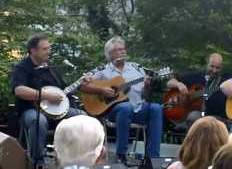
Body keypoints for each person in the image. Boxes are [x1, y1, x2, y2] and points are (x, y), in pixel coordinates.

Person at [80, 36, 163, 163]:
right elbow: (82, 85)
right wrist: (101, 90)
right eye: (119, 50)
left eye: (123, 49)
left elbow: (145, 96)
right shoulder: (103, 70)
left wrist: (147, 86)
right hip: (113, 111)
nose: (123, 52)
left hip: (138, 109)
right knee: (125, 107)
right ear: (110, 54)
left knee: (156, 108)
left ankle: (152, 158)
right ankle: (121, 155)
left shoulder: (137, 68)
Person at [10, 33, 85, 164]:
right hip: (30, 110)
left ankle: (73, 159)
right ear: (33, 51)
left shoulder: (51, 68)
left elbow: (63, 91)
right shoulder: (22, 67)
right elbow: (19, 90)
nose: (48, 51)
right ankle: (37, 162)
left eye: (49, 48)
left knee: (81, 117)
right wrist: (46, 96)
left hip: (57, 111)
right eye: (45, 49)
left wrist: (81, 84)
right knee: (38, 120)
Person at [166, 53, 231, 128]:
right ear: (207, 64)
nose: (214, 70)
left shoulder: (225, 81)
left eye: (217, 68)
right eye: (212, 66)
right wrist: (179, 84)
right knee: (193, 116)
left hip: (218, 117)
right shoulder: (197, 77)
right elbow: (169, 82)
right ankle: (193, 139)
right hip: (197, 115)